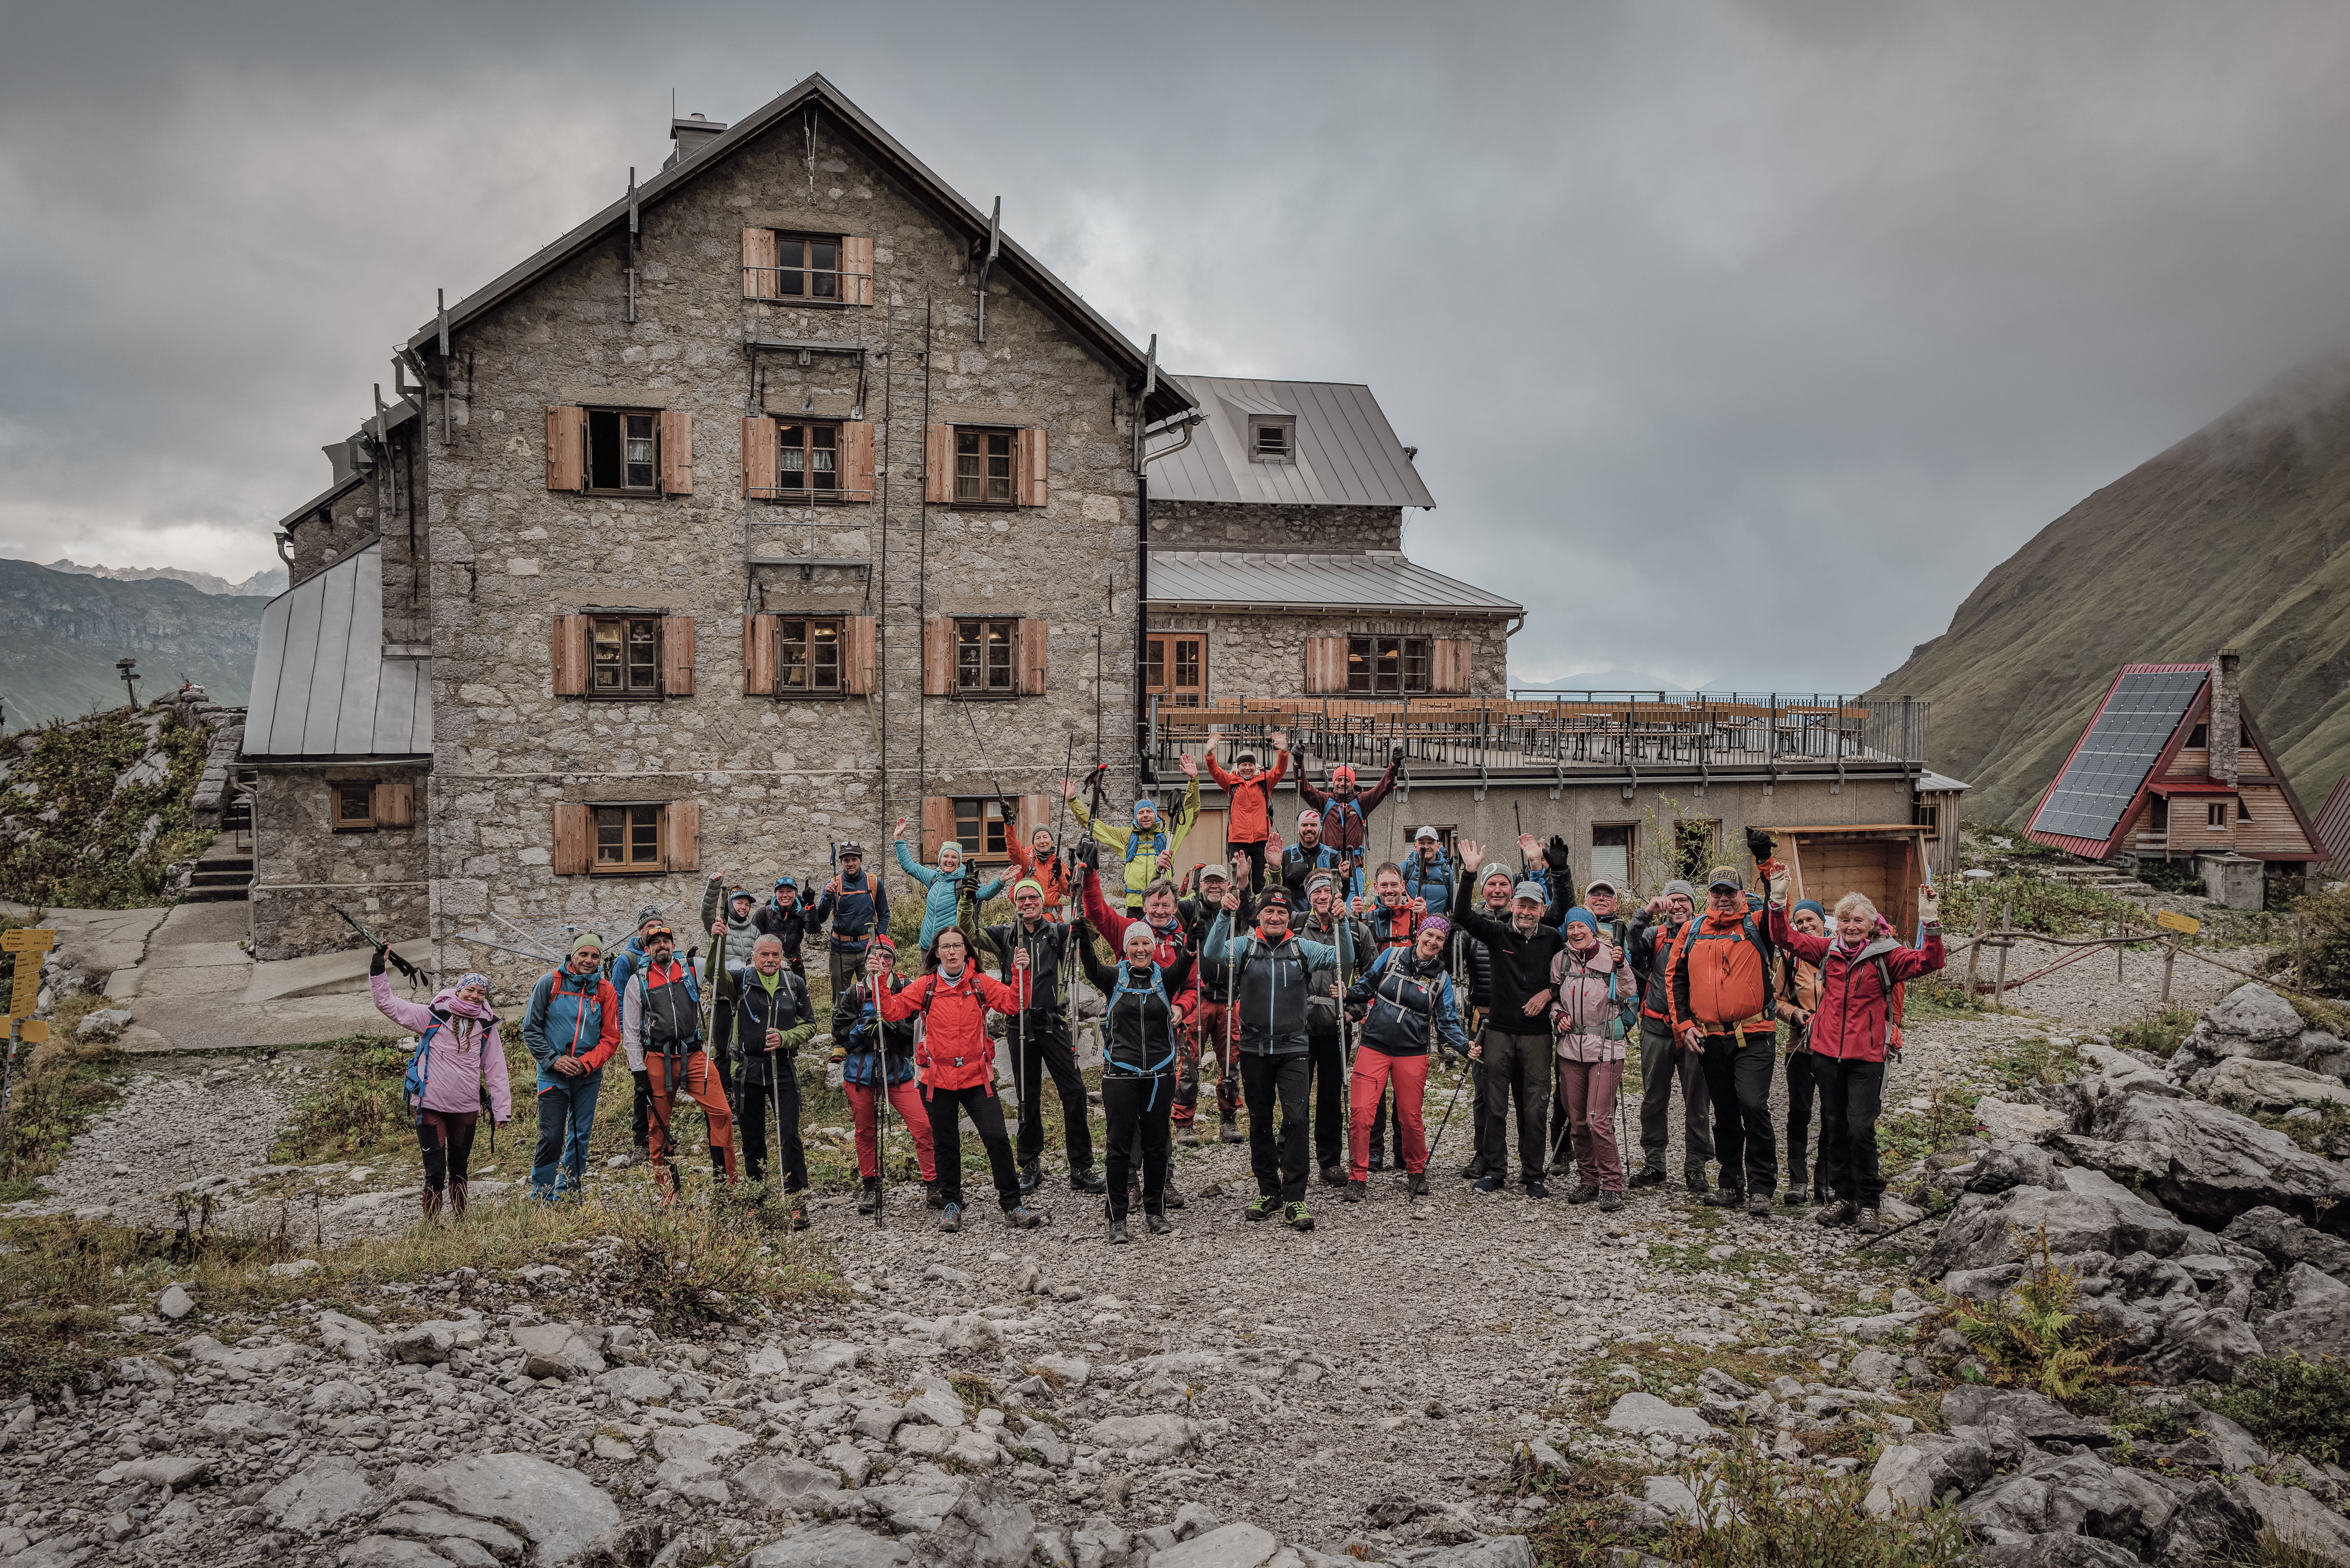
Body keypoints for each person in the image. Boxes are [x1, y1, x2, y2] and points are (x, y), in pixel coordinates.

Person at [1760, 873, 1945, 1235]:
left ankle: (1869, 1204)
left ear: (1872, 924)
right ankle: (1843, 1199)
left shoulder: (1888, 956)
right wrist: (1778, 902)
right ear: (1836, 924)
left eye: (1858, 920)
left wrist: (1930, 921)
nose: (1851, 926)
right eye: (1845, 920)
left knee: (1861, 1129)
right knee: (1835, 1126)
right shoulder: (1828, 950)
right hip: (1826, 1053)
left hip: (1867, 1056)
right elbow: (1783, 937)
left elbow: (1932, 961)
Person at [880, 927, 1042, 1233]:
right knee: (945, 1144)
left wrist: (1021, 972)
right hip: (938, 1079)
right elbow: (890, 1010)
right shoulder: (926, 986)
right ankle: (951, 1204)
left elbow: (1013, 1004)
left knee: (996, 1138)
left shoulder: (979, 983)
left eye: (957, 946)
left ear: (966, 951)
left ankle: (1012, 1204)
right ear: (937, 953)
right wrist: (877, 979)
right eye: (946, 947)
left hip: (976, 1075)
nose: (952, 952)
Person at [1203, 887, 1340, 1231]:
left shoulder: (1301, 948)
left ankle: (1295, 1196)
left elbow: (1340, 958)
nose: (1275, 917)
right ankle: (1268, 1191)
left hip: (1294, 1047)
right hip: (1254, 1048)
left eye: (1281, 912)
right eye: (1269, 912)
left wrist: (1343, 920)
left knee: (1296, 1120)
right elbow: (1213, 953)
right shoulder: (1246, 947)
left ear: (1288, 916)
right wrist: (1223, 915)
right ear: (1260, 916)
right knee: (1260, 1121)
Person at [1079, 857, 1202, 1208]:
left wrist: (1182, 1009)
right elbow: (1097, 910)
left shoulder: (1182, 939)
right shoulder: (1129, 931)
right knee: (1128, 1113)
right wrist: (1090, 875)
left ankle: (1163, 1181)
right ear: (1144, 907)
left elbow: (1193, 984)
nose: (1160, 910)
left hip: (1166, 1035)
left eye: (1166, 905)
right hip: (1127, 1037)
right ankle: (1131, 1181)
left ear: (1175, 907)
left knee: (1157, 1113)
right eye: (1154, 905)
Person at [1449, 840, 1568, 1198]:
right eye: (1521, 905)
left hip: (1536, 1036)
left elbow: (1570, 975)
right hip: (1498, 1032)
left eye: (1533, 906)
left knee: (1535, 1107)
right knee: (1496, 1104)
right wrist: (1469, 874)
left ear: (1541, 909)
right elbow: (1463, 917)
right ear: (1512, 906)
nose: (1526, 912)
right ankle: (1495, 1170)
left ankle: (1533, 1174)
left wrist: (1549, 993)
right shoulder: (1497, 932)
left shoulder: (1552, 939)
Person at [984, 879, 1107, 1194]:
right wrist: (969, 896)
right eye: (1022, 898)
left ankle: (1080, 1166)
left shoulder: (1058, 932)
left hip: (1052, 1022)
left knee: (1075, 1091)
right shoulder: (1005, 934)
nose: (1027, 903)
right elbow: (968, 933)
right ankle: (1029, 1165)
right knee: (1027, 1096)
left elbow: (1094, 930)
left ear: (1042, 902)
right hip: (1018, 1024)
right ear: (1014, 903)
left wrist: (1082, 919)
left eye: (1033, 898)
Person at [1670, 867, 1781, 1214]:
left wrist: (1768, 866)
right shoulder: (1692, 929)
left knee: (1753, 1105)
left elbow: (1779, 908)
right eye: (1717, 892)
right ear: (1708, 895)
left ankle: (1762, 1186)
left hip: (1754, 1034)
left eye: (1730, 892)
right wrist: (1684, 1024)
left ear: (1740, 894)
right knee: (1726, 1113)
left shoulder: (1757, 923)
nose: (1723, 898)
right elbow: (1675, 980)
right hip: (1710, 1038)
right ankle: (1731, 1183)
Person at [372, 951, 512, 1220]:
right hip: (430, 1105)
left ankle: (461, 1222)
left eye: (481, 993)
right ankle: (433, 1227)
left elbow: (496, 1070)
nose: (475, 996)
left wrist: (501, 1110)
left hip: (466, 1107)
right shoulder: (431, 1016)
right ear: (458, 991)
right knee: (434, 1172)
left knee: (460, 1169)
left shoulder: (486, 1026)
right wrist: (378, 964)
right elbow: (387, 1004)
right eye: (470, 990)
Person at [1342, 918, 1470, 1203]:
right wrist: (1347, 993)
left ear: (1443, 943)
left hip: (1412, 1052)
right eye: (1429, 935)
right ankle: (1357, 1176)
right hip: (1374, 1045)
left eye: (1439, 938)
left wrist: (1464, 1046)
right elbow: (1366, 987)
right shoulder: (1393, 955)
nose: (1433, 941)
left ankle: (1416, 1170)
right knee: (1361, 1113)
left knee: (1410, 1118)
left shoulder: (1441, 978)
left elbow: (1448, 1022)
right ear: (1419, 934)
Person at [619, 921, 736, 1200]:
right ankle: (670, 1193)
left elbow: (717, 971)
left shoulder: (691, 968)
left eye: (666, 941)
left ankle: (727, 1185)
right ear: (647, 949)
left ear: (673, 945)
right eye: (655, 942)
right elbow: (631, 1029)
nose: (662, 945)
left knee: (722, 1113)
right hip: (658, 1057)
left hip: (694, 1054)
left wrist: (717, 940)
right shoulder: (639, 981)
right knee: (658, 1126)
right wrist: (639, 1071)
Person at [833, 935, 939, 1214]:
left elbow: (919, 1029)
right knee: (865, 1132)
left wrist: (894, 1030)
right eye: (875, 956)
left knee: (924, 1127)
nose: (882, 962)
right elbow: (840, 1033)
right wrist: (862, 1029)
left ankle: (934, 1185)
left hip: (899, 1071)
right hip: (860, 1073)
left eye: (888, 957)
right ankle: (871, 1186)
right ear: (867, 960)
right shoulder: (854, 993)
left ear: (894, 962)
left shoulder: (905, 989)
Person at [1549, 908, 1637, 1210]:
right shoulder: (1561, 960)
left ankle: (1612, 1183)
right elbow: (1556, 996)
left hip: (1607, 1048)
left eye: (1581, 927)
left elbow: (1628, 991)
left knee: (1598, 1119)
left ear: (1592, 929)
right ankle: (1589, 1181)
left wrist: (1622, 964)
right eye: (1571, 927)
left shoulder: (1612, 956)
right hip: (1570, 1049)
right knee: (1576, 1121)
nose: (1575, 932)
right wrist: (1558, 1014)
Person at [522, 932, 620, 1201]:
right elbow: (531, 1030)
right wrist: (554, 1060)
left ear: (600, 959)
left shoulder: (605, 990)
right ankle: (542, 1194)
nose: (588, 961)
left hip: (587, 1076)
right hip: (553, 1075)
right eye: (583, 955)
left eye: (595, 956)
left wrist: (585, 1063)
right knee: (551, 1135)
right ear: (573, 956)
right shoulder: (549, 983)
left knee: (580, 1136)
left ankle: (569, 1191)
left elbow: (611, 1037)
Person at [1628, 881, 1710, 1192]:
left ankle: (1696, 1167)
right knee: (1653, 1098)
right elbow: (1629, 945)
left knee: (1697, 1101)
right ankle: (1654, 1163)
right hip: (1656, 1028)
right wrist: (1645, 913)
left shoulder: (1705, 934)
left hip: (1695, 1030)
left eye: (1684, 901)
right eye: (1672, 900)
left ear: (1693, 904)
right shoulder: (1655, 935)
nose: (1678, 906)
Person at [734, 934, 817, 1225]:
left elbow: (810, 1025)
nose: (770, 960)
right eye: (765, 955)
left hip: (783, 1068)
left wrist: (786, 1038)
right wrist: (717, 939)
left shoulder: (794, 984)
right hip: (748, 1070)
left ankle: (796, 1202)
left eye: (776, 955)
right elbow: (711, 974)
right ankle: (757, 1201)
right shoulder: (740, 981)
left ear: (782, 957)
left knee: (790, 1136)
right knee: (753, 1139)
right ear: (753, 957)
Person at [1297, 870, 1369, 1186]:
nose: (1322, 896)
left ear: (1335, 893)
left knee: (1330, 1096)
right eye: (1316, 892)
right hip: (1300, 1027)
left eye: (1326, 890)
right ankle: (1292, 1157)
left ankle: (1330, 1161)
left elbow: (1371, 974)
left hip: (1337, 1025)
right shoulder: (1296, 926)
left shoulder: (1355, 929)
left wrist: (1355, 1010)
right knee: (1295, 1098)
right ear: (1309, 897)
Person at [1067, 760, 1204, 914]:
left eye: (1149, 812)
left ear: (1155, 815)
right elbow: (1095, 826)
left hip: (1161, 903)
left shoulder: (1168, 836)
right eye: (1141, 813)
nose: (1145, 816)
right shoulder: (1127, 836)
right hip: (1135, 905)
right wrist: (1073, 801)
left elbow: (1191, 811)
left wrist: (1193, 781)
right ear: (1135, 817)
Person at [1176, 861, 1249, 1147]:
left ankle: (1228, 1120)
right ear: (1200, 885)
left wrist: (1244, 884)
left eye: (1220, 881)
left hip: (1231, 997)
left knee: (1231, 1062)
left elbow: (1254, 910)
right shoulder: (1187, 910)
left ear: (1226, 885)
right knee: (1189, 1064)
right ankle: (1184, 1123)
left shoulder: (1235, 911)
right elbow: (1160, 901)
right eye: (1209, 882)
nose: (1215, 886)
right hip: (1199, 996)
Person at [1456, 864, 1519, 1183]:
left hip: (1519, 1021)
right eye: (1491, 884)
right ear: (1482, 890)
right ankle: (1484, 1154)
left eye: (1504, 884)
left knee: (1521, 1092)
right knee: (1483, 1092)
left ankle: (1527, 1159)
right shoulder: (1472, 929)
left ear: (1512, 890)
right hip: (1482, 1019)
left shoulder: (1523, 925)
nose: (1497, 890)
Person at [1775, 899, 1831, 1207]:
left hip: (1835, 1048)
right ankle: (1798, 1181)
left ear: (1823, 922)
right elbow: (1777, 1000)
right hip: (1799, 1046)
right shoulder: (1790, 958)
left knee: (1831, 1115)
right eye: (1799, 922)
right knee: (1799, 1113)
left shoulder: (1839, 954)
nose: (1805, 925)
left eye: (1810, 919)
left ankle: (1825, 1181)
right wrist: (1795, 1015)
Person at [1297, 750, 1404, 900]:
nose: (1342, 783)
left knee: (1354, 907)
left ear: (1352, 783)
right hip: (1329, 866)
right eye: (1339, 780)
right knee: (1327, 904)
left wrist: (1394, 765)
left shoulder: (1361, 802)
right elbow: (1304, 789)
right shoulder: (1325, 801)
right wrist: (1298, 763)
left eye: (1347, 780)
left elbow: (1383, 789)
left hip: (1355, 867)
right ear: (1334, 782)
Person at [894, 820, 1008, 956]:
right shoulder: (933, 877)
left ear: (959, 862)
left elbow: (985, 894)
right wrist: (898, 838)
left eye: (954, 857)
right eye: (946, 856)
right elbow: (910, 866)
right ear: (940, 859)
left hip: (950, 947)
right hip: (927, 946)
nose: (949, 860)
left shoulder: (964, 881)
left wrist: (1000, 881)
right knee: (928, 978)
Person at [607, 904, 666, 1162]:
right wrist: (625, 1032)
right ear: (640, 931)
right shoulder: (626, 960)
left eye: (658, 926)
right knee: (643, 1088)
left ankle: (662, 1136)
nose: (654, 931)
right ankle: (640, 1142)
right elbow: (617, 997)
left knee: (664, 1087)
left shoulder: (665, 954)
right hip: (639, 1035)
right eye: (649, 927)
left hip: (663, 1034)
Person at [1204, 727, 1290, 892]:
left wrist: (1283, 751)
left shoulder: (1265, 781)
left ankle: (1259, 915)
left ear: (1255, 765)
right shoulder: (1231, 783)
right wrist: (1209, 753)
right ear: (1238, 766)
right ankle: (1239, 913)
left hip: (1260, 841)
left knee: (1260, 881)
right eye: (1244, 764)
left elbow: (1279, 771)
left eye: (1250, 764)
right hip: (1238, 840)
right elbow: (1215, 771)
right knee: (1238, 882)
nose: (1247, 768)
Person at [813, 841, 889, 1006]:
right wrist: (827, 896)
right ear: (841, 862)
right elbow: (820, 918)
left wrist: (877, 942)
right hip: (840, 951)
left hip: (867, 950)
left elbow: (884, 915)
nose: (850, 863)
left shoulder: (874, 883)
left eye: (854, 859)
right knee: (840, 1001)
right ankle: (840, 1031)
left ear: (860, 860)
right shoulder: (834, 885)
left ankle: (867, 1030)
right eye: (846, 860)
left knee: (871, 996)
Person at [1003, 815, 1071, 919]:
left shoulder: (1060, 864)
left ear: (1052, 840)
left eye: (1045, 837)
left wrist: (1060, 874)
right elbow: (1014, 851)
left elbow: (1068, 891)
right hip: (1030, 918)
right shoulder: (1028, 861)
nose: (1042, 841)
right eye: (1038, 838)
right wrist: (1009, 826)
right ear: (1034, 843)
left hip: (1053, 919)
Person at [750, 874, 816, 974]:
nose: (785, 895)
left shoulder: (801, 913)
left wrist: (810, 905)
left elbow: (813, 930)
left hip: (794, 963)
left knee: (798, 989)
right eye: (781, 892)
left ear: (796, 894)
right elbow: (753, 940)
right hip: (769, 962)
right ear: (776, 895)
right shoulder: (764, 913)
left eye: (789, 891)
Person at [1280, 808, 1348, 902]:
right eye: (1304, 825)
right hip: (1294, 915)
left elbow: (1342, 897)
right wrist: (1273, 869)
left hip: (1325, 914)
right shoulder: (1285, 855)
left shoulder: (1333, 856)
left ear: (1320, 829)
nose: (1309, 829)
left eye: (1313, 825)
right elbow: (1276, 891)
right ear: (1298, 829)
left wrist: (1345, 879)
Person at [1402, 827, 1456, 914]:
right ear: (1415, 846)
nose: (1426, 847)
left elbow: (1456, 907)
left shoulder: (1449, 873)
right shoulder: (1405, 868)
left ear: (1438, 846)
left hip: (1438, 925)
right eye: (1422, 843)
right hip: (1410, 925)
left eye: (1431, 843)